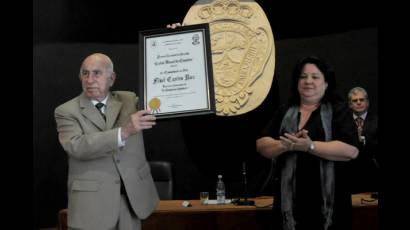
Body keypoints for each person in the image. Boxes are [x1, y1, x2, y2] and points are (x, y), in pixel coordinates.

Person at [54, 53, 159, 230]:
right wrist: (124, 132)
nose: (89, 79)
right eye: (85, 73)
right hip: (91, 207)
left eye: (97, 73)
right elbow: (77, 146)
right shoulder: (65, 111)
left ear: (112, 78)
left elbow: (165, 99)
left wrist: (175, 39)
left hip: (130, 201)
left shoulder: (129, 100)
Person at [256, 56, 359, 230]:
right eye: (303, 77)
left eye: (315, 77)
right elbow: (261, 144)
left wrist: (310, 146)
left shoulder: (338, 110)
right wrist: (285, 145)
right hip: (289, 208)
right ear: (297, 82)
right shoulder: (284, 111)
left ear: (326, 83)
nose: (308, 81)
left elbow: (351, 151)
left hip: (329, 207)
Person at [345, 86, 378, 194]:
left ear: (367, 102)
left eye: (362, 99)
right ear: (350, 104)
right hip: (348, 174)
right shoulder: (342, 123)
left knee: (368, 208)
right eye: (355, 100)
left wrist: (364, 141)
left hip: (372, 173)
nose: (358, 102)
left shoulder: (377, 121)